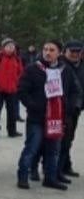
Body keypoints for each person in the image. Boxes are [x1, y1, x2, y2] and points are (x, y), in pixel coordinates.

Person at [16, 40, 75, 190]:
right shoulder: (33, 69)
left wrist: (68, 108)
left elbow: (74, 90)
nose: (48, 53)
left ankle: (50, 178)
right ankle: (22, 176)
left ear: (59, 53)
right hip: (37, 118)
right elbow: (22, 90)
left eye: (52, 50)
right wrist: (33, 105)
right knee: (32, 147)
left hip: (57, 118)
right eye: (45, 49)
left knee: (53, 150)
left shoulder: (65, 70)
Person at [58, 40, 84, 180]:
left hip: (75, 109)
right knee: (59, 139)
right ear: (65, 51)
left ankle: (65, 166)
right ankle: (54, 167)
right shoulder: (60, 65)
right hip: (60, 109)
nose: (74, 54)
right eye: (71, 51)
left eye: (77, 51)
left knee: (69, 139)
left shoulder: (81, 66)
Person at [0, 38, 23, 138]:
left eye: (12, 46)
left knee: (12, 112)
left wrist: (17, 81)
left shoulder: (17, 59)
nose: (10, 48)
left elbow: (21, 72)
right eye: (8, 46)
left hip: (12, 89)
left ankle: (12, 131)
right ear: (3, 47)